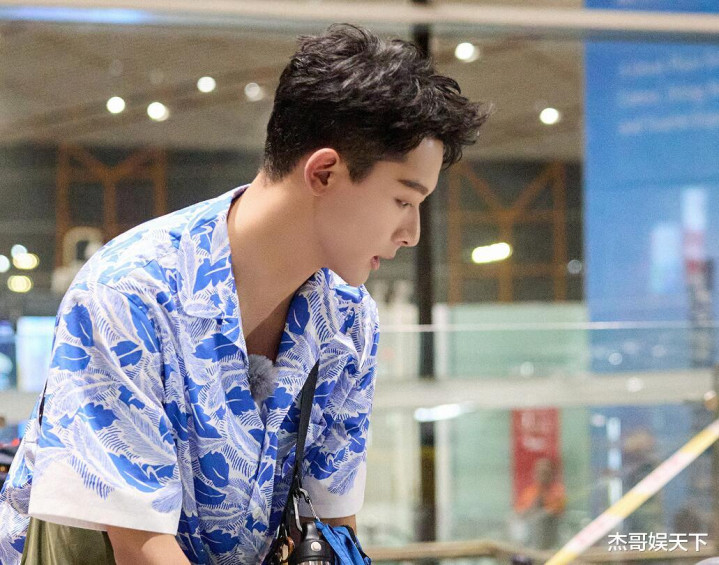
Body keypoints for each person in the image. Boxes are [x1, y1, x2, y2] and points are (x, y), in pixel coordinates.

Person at [0, 23, 487, 564]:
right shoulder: (131, 292)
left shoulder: (348, 319)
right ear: (324, 173)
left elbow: (333, 527)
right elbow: (139, 547)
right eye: (404, 200)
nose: (412, 233)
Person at [515, 458, 566, 550]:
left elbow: (556, 510)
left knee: (539, 518)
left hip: (548, 528)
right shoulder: (529, 491)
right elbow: (520, 509)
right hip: (527, 524)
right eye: (540, 472)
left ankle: (537, 549)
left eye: (545, 472)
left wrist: (543, 499)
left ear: (551, 474)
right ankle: (517, 548)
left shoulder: (557, 490)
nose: (542, 475)